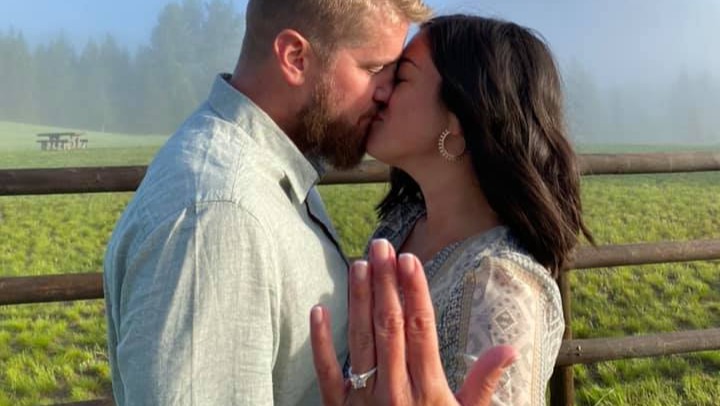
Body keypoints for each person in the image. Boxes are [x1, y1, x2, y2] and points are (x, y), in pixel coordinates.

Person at [103, 1, 512, 405]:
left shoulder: (266, 174)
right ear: (295, 57)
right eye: (373, 69)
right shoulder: (219, 216)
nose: (386, 93)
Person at [311, 15, 594, 406]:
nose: (381, 90)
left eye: (401, 77)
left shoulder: (501, 287)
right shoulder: (404, 223)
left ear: (459, 115)